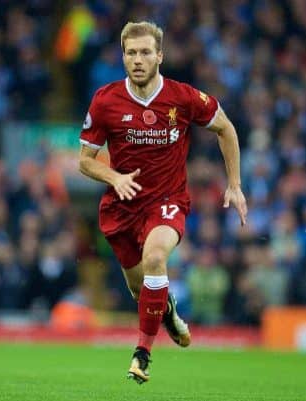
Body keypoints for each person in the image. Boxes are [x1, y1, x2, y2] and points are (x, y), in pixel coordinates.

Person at [78, 21, 248, 384]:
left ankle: (142, 354)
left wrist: (234, 184)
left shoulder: (183, 97)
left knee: (156, 257)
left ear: (160, 56)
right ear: (123, 57)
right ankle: (167, 312)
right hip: (121, 206)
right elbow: (85, 159)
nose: (137, 59)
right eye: (130, 53)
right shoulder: (106, 100)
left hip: (168, 200)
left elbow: (226, 129)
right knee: (141, 290)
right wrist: (115, 177)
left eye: (144, 52)